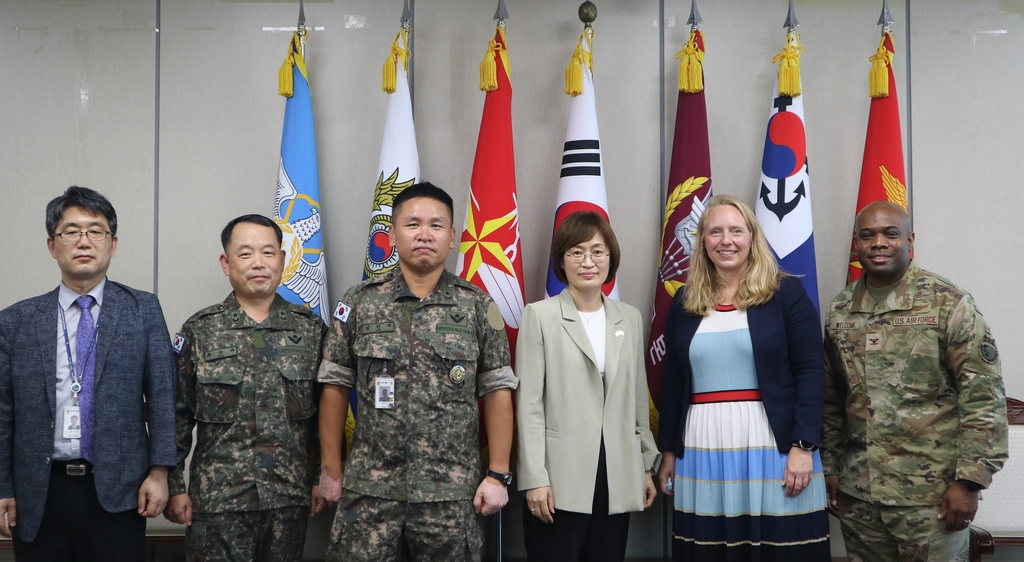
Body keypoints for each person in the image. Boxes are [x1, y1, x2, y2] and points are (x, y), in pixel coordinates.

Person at [317, 182, 518, 562]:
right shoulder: (359, 302)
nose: (424, 234)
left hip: (450, 495)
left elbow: (497, 391)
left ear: (453, 236)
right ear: (392, 235)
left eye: (436, 225)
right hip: (369, 492)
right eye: (412, 224)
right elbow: (334, 386)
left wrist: (498, 475)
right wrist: (330, 469)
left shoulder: (478, 307)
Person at [821, 201, 1008, 562]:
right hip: (860, 494)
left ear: (909, 239)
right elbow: (832, 397)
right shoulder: (840, 310)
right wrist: (829, 467)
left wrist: (969, 482)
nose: (878, 242)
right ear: (855, 243)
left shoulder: (948, 303)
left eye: (890, 233)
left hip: (931, 497)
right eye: (868, 235)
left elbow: (983, 397)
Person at [0, 186, 176, 561]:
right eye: (71, 231)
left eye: (96, 231)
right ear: (52, 244)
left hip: (119, 488)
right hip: (38, 492)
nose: (84, 241)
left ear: (113, 243)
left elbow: (163, 398)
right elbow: (2, 413)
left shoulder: (142, 310)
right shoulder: (15, 321)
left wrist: (160, 474)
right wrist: (1, 487)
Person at [656, 194, 831, 561]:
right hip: (703, 445)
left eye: (736, 230)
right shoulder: (685, 301)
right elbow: (673, 380)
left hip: (774, 445)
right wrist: (669, 451)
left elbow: (812, 371)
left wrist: (803, 445)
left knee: (778, 548)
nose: (726, 241)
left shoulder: (786, 293)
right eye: (715, 231)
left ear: (752, 237)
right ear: (702, 241)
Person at [164, 214, 327, 561]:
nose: (258, 263)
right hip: (217, 501)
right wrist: (174, 486)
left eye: (268, 253)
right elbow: (175, 415)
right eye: (246, 254)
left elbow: (324, 416)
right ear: (226, 263)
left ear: (283, 260)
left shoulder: (311, 331)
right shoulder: (200, 330)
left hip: (288, 500)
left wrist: (320, 476)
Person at [516, 211, 659, 562]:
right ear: (561, 262)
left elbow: (637, 399)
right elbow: (529, 405)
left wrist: (644, 465)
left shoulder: (630, 317)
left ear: (611, 258)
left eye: (598, 251)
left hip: (616, 475)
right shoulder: (540, 316)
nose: (588, 261)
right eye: (576, 252)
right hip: (558, 479)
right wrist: (535, 477)